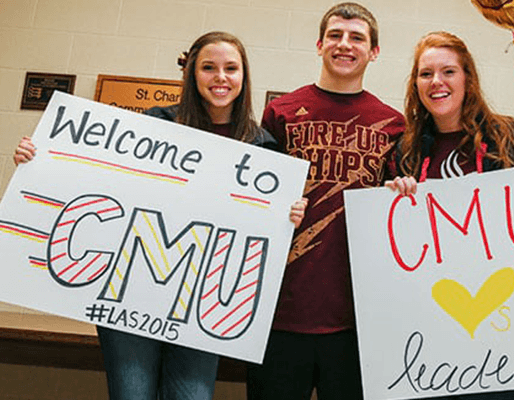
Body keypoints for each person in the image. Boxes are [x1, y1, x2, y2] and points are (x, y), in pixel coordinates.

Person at [14, 31, 307, 400]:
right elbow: (93, 178)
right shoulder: (156, 125)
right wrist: (38, 160)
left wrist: (288, 216)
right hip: (131, 296)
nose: (220, 77)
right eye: (208, 68)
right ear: (192, 74)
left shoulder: (263, 146)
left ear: (244, 76)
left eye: (231, 68)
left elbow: (264, 239)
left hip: (203, 303)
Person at [385, 31, 514, 400]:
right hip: (428, 331)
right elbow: (388, 241)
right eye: (425, 74)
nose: (436, 82)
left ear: (467, 79)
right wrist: (393, 198)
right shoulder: (403, 151)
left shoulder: (508, 135)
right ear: (416, 84)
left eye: (448, 72)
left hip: (504, 329)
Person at [245, 3, 405, 400]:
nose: (344, 45)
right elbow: (256, 204)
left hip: (356, 321)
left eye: (356, 38)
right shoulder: (280, 113)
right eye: (335, 35)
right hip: (281, 313)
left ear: (374, 52)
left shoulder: (394, 124)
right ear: (319, 44)